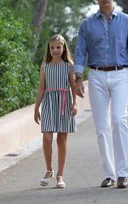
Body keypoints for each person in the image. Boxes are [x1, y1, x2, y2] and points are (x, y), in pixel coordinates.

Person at [74, 0, 128, 188]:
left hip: (121, 74)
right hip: (95, 76)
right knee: (102, 125)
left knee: (119, 120)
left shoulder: (126, 20)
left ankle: (122, 173)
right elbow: (79, 52)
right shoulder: (87, 24)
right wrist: (78, 78)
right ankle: (109, 173)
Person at [34, 34, 77, 188]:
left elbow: (73, 86)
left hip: (65, 103)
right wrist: (36, 108)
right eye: (52, 48)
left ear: (64, 47)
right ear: (49, 49)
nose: (55, 50)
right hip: (49, 103)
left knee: (61, 139)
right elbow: (41, 90)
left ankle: (60, 175)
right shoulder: (45, 67)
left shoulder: (69, 66)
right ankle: (48, 170)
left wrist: (75, 104)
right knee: (46, 138)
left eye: (58, 47)